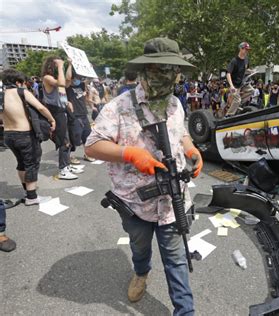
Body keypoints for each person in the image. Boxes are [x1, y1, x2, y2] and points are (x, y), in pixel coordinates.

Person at [85, 37, 201, 314]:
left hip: (173, 201)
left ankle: (185, 311)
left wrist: (191, 148)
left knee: (176, 259)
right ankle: (141, 272)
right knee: (140, 248)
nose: (167, 76)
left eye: (172, 70)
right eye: (159, 69)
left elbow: (180, 133)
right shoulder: (118, 106)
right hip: (135, 203)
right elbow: (91, 146)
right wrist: (130, 154)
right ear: (145, 69)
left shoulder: (175, 103)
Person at [1, 69, 56, 206]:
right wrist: (52, 120)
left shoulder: (0, 95)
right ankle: (32, 197)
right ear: (18, 82)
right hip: (24, 134)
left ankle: (27, 190)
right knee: (31, 163)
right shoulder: (21, 92)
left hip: (8, 134)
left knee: (21, 162)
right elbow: (41, 108)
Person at [42, 56, 81, 179]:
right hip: (57, 113)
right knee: (64, 141)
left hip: (64, 111)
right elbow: (62, 83)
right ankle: (63, 170)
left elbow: (67, 81)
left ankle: (67, 165)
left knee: (70, 139)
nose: (60, 66)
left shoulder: (57, 78)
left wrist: (69, 65)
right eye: (57, 64)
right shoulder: (47, 78)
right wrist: (60, 66)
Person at [65, 60, 95, 162]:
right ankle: (70, 155)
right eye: (75, 77)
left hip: (83, 114)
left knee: (87, 135)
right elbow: (68, 78)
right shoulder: (67, 87)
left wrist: (89, 68)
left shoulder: (82, 85)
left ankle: (87, 154)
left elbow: (91, 78)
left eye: (78, 77)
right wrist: (69, 64)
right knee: (75, 136)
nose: (77, 79)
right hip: (74, 115)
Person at [225, 41, 254, 116]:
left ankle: (236, 104)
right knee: (237, 100)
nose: (247, 51)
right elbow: (228, 73)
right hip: (234, 85)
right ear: (241, 49)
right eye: (246, 49)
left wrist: (251, 71)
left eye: (248, 50)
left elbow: (245, 69)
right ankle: (229, 115)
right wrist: (231, 86)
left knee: (251, 90)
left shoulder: (246, 59)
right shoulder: (234, 61)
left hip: (241, 83)